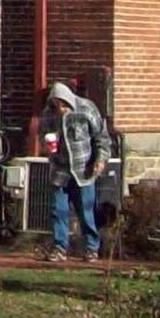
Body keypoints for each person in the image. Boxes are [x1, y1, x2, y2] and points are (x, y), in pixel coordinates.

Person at [46, 80, 113, 261]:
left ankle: (91, 247)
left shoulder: (86, 109)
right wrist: (49, 145)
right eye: (55, 105)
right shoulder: (50, 114)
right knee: (58, 209)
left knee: (85, 210)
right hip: (60, 169)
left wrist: (100, 160)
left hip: (84, 169)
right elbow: (44, 133)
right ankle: (60, 247)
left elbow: (102, 137)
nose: (59, 109)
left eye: (62, 105)